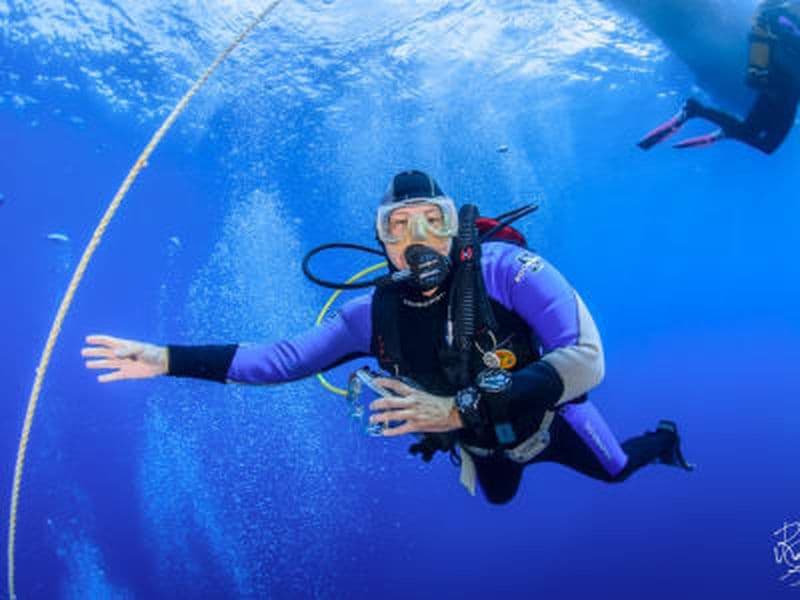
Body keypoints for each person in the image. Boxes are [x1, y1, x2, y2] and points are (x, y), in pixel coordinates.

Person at [82, 170, 693, 505]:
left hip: (548, 422)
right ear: (382, 243)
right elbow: (280, 360)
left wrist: (455, 408)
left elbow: (587, 361)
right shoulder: (366, 316)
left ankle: (662, 440)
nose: (419, 235)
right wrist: (165, 359)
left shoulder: (507, 273)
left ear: (456, 229)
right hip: (480, 447)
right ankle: (485, 455)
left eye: (435, 218)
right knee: (500, 500)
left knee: (615, 471)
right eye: (398, 225)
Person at [638, 0, 800, 154]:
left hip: (779, 81)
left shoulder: (780, 12)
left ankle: (699, 113)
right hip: (784, 84)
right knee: (767, 144)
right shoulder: (786, 13)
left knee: (756, 136)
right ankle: (710, 120)